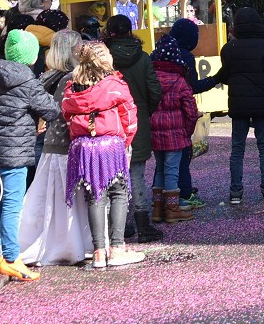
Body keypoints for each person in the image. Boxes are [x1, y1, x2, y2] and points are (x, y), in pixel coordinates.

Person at [0, 29, 60, 281]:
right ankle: (13, 258)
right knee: (12, 207)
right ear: (31, 56)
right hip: (15, 154)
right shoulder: (28, 82)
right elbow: (52, 111)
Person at [61, 41, 144, 268]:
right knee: (118, 192)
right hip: (111, 145)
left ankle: (99, 252)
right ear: (104, 59)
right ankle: (117, 248)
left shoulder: (72, 88)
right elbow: (129, 116)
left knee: (94, 196)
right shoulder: (114, 85)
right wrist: (126, 142)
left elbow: (66, 115)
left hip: (83, 146)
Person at [18, 29, 93, 266]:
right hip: (65, 145)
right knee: (66, 201)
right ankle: (68, 244)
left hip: (51, 143)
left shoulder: (46, 77)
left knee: (47, 198)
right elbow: (64, 111)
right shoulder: (69, 78)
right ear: (73, 51)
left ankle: (63, 242)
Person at [203, 7, 264, 205]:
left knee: (237, 149)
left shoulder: (229, 49)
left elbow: (226, 77)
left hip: (238, 104)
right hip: (262, 103)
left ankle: (236, 192)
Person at [103, 15, 163, 243]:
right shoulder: (143, 58)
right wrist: (145, 111)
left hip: (109, 124)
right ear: (130, 31)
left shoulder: (104, 59)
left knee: (111, 176)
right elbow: (154, 91)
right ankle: (143, 226)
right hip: (137, 122)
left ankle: (118, 226)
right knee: (136, 174)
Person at [149, 33, 199, 222]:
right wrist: (187, 131)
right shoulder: (180, 81)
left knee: (160, 168)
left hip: (155, 133)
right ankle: (172, 209)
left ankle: (157, 208)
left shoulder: (151, 78)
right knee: (172, 170)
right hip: (176, 134)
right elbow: (191, 111)